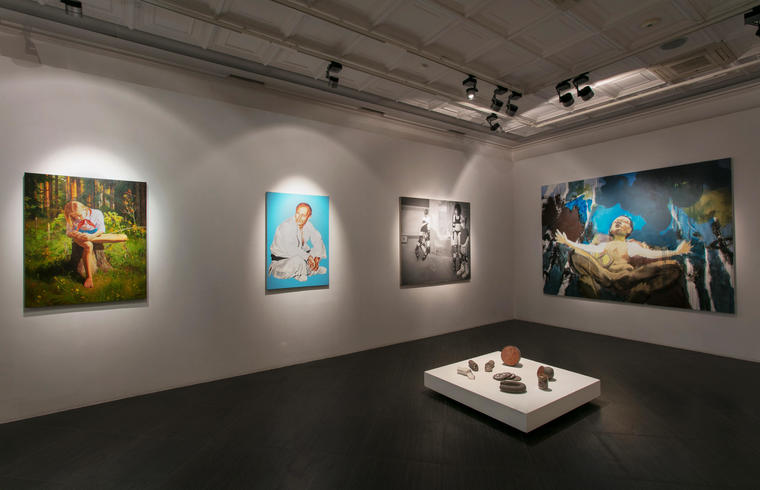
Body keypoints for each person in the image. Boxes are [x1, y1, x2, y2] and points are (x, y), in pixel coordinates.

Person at [554, 215, 692, 301]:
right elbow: (588, 249)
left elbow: (651, 254)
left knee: (673, 267)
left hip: (627, 277)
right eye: (616, 221)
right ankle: (594, 295)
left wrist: (676, 252)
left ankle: (642, 290)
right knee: (576, 254)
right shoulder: (604, 245)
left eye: (623, 222)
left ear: (629, 230)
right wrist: (567, 242)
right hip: (604, 275)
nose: (618, 223)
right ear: (610, 229)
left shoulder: (631, 246)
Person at [63, 201, 128, 288]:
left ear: (84, 208)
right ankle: (89, 277)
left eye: (79, 215)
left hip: (94, 235)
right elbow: (68, 232)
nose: (78, 218)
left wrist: (91, 236)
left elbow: (101, 230)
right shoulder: (71, 217)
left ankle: (92, 274)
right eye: (75, 217)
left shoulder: (96, 213)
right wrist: (75, 234)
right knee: (88, 245)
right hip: (79, 237)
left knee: (122, 237)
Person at [268, 202, 327, 282]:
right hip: (281, 262)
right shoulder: (286, 226)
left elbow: (318, 240)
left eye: (303, 215)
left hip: (299, 256)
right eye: (297, 213)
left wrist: (317, 258)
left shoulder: (308, 225)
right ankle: (303, 272)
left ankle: (310, 269)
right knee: (298, 261)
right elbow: (291, 249)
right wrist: (308, 257)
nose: (299, 218)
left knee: (311, 254)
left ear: (309, 216)